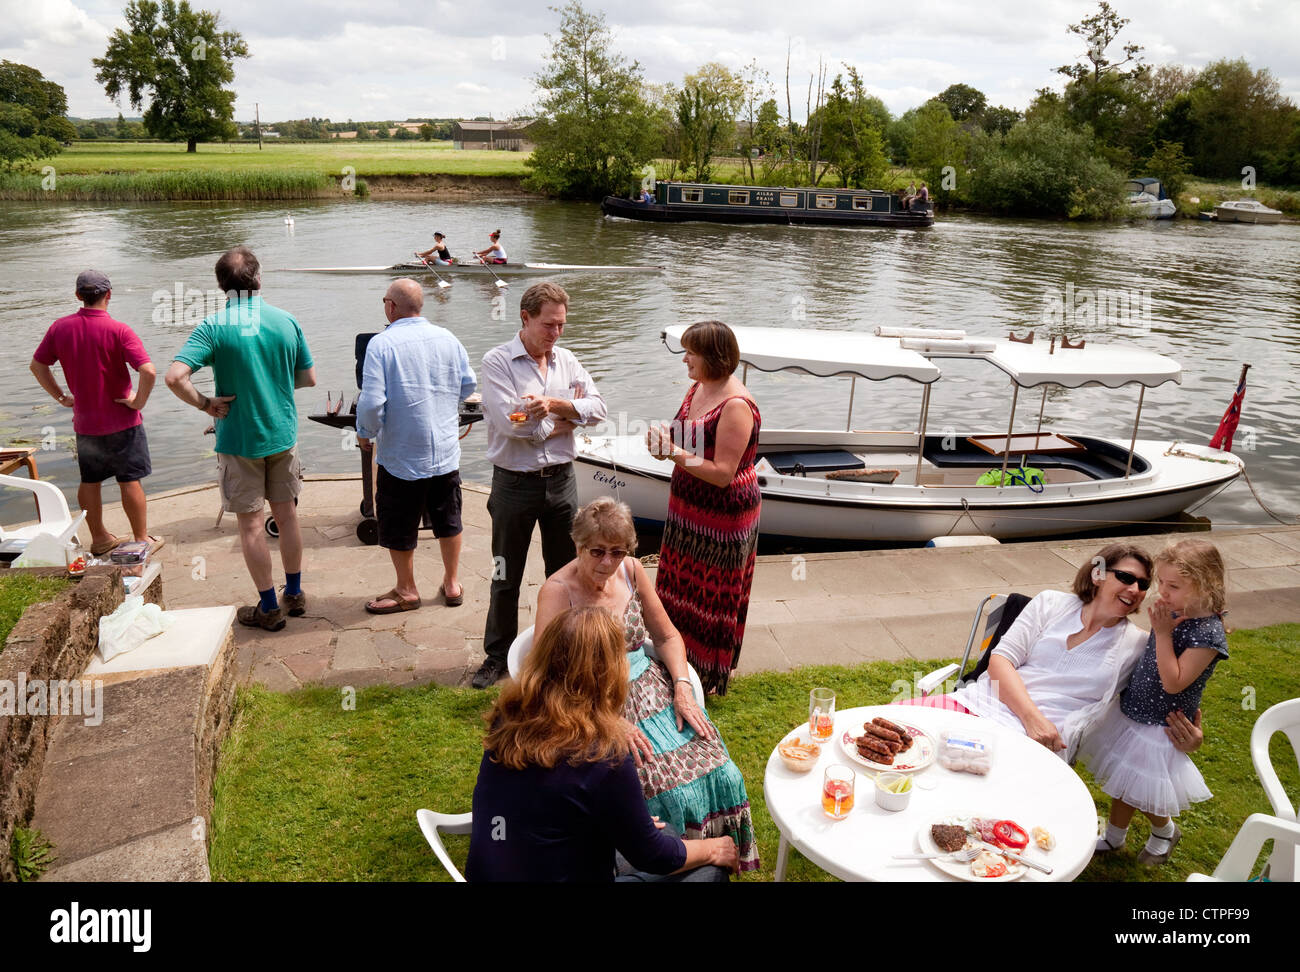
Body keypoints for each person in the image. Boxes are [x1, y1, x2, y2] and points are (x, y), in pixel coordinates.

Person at [532, 498, 760, 872]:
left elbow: (668, 637)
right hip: (591, 702)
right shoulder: (557, 591)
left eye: (617, 552)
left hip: (653, 690)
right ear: (577, 545)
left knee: (721, 768)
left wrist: (683, 687)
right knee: (651, 781)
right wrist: (603, 721)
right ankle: (660, 861)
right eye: (597, 551)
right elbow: (543, 675)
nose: (608, 562)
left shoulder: (633, 571)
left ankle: (708, 861)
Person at [466, 606, 739, 882]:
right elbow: (654, 856)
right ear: (607, 675)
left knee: (664, 831)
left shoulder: (509, 715)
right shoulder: (606, 757)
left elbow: (553, 800)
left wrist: (626, 820)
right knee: (710, 872)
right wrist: (714, 848)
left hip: (504, 865)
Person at [897, 543, 1205, 762]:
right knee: (893, 725)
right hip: (979, 704)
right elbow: (1000, 661)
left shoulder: (1136, 644)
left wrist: (1191, 736)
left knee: (957, 781)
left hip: (1037, 743)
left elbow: (1156, 697)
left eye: (1143, 583)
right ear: (1097, 574)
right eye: (1125, 577)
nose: (1135, 589)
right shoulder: (1050, 604)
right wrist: (1032, 718)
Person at [165, 246, 316, 631]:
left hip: (239, 441)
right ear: (259, 278)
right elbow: (308, 378)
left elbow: (174, 377)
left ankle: (268, 607)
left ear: (221, 286)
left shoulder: (214, 327)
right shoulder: (286, 321)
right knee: (287, 516)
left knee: (251, 526)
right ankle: (295, 592)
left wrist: (206, 404)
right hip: (282, 434)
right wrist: (273, 383)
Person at [472, 281, 607, 688]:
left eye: (562, 325)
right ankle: (497, 655)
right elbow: (512, 427)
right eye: (549, 325)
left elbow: (598, 409)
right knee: (504, 572)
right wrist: (564, 422)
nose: (556, 333)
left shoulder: (567, 360)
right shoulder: (497, 361)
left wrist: (552, 406)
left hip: (562, 482)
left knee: (566, 571)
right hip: (514, 483)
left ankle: (563, 652)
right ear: (525, 318)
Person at [1082, 539, 1228, 866]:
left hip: (1163, 722)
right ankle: (1114, 837)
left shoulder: (1208, 633)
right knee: (1125, 780)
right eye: (1162, 582)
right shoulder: (1179, 610)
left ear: (1206, 585)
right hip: (1135, 710)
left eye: (1173, 585)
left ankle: (1164, 831)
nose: (1162, 591)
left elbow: (1174, 681)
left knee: (1143, 787)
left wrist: (1161, 633)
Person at [646, 320, 761, 695]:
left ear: (713, 356)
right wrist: (664, 442)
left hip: (721, 516)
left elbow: (724, 473)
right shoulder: (698, 388)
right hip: (687, 507)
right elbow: (690, 442)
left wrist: (672, 453)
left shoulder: (737, 406)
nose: (685, 360)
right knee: (679, 587)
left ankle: (706, 677)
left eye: (691, 353)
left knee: (710, 595)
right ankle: (674, 664)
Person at [355, 278, 476, 613]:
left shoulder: (382, 344)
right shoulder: (448, 338)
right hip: (445, 451)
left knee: (399, 520)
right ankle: (452, 584)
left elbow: (371, 401)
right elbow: (468, 386)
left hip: (402, 454)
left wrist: (364, 431)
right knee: (449, 517)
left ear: (391, 306)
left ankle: (407, 590)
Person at [30, 270, 156, 555]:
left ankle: (99, 539)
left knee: (90, 480)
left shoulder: (59, 328)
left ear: (78, 296)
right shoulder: (119, 330)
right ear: (108, 295)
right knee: (129, 479)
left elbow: (37, 366)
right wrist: (138, 402)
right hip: (123, 421)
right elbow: (148, 370)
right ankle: (141, 539)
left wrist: (61, 396)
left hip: (86, 424)